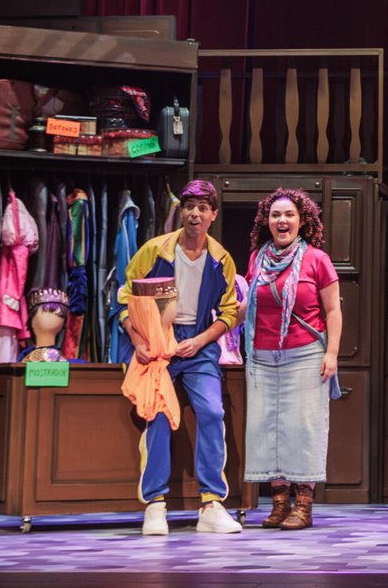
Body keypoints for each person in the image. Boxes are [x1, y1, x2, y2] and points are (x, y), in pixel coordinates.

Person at [117, 179, 242, 535]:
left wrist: (201, 341)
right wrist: (138, 340)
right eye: (189, 207)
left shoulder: (221, 259)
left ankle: (211, 504)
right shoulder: (155, 250)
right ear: (181, 212)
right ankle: (155, 504)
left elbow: (230, 312)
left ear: (213, 215)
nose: (195, 214)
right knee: (157, 414)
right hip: (158, 342)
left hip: (198, 345)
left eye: (203, 208)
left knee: (212, 411)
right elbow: (124, 297)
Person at [241, 188, 342, 531]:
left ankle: (303, 505)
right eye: (275, 215)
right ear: (266, 221)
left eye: (289, 215)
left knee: (302, 428)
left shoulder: (316, 259)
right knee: (268, 428)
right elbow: (249, 305)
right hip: (262, 356)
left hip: (304, 354)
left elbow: (333, 310)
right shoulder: (257, 259)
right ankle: (279, 503)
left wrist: (332, 353)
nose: (282, 220)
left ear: (302, 221)